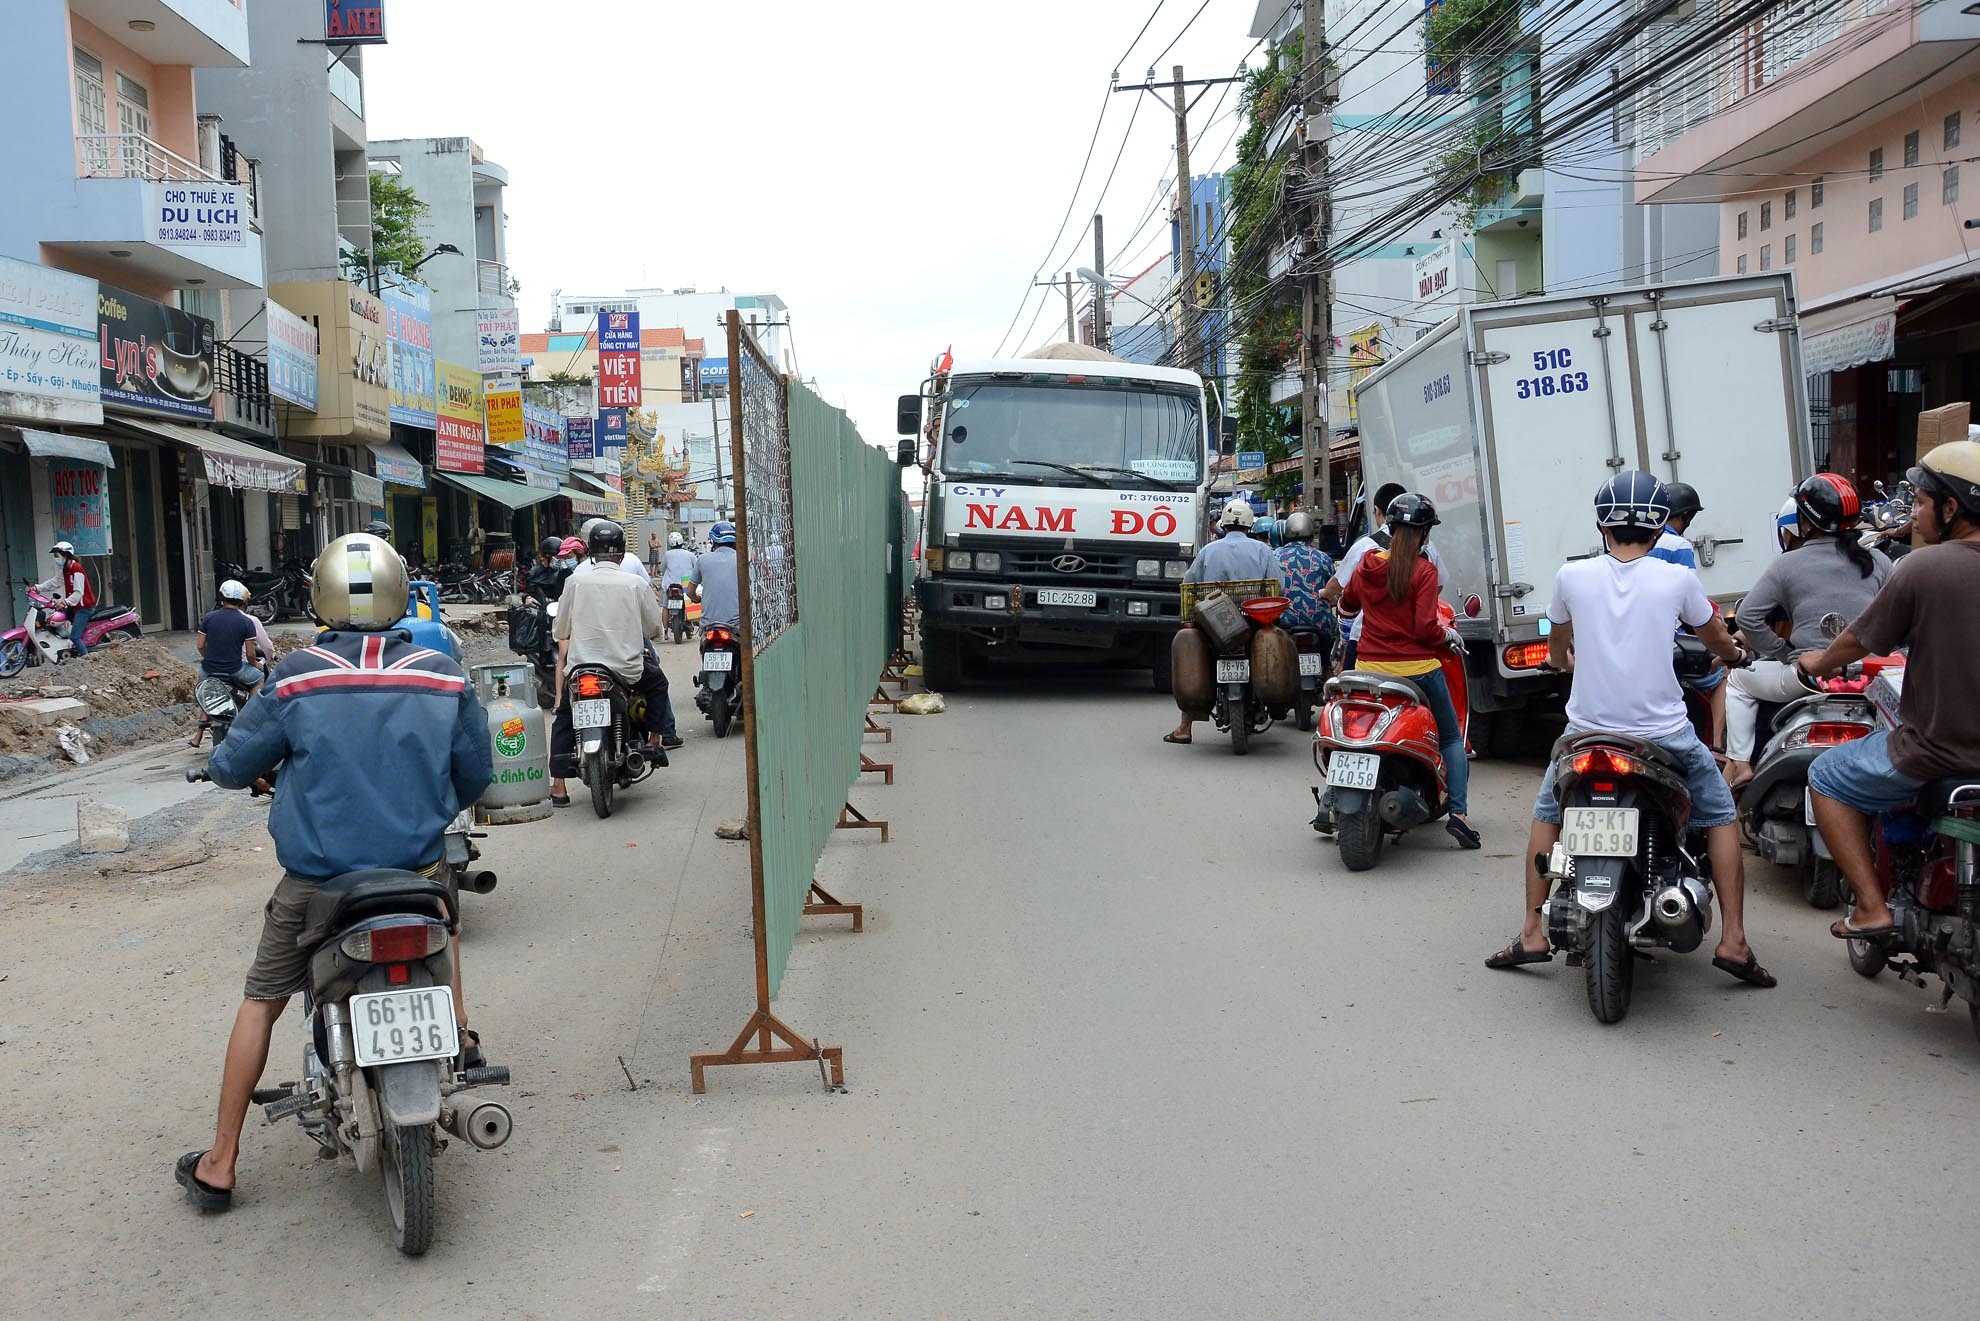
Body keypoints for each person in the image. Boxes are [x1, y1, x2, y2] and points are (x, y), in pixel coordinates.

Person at [177, 534, 493, 1212]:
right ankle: (461, 1036)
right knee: (445, 915)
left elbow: (231, 765)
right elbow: (476, 777)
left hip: (317, 885)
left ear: (319, 595)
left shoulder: (295, 675)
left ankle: (221, 1161)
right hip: (415, 873)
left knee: (262, 999)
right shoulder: (442, 673)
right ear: (400, 593)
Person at [1485, 471, 1774, 986]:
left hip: (1584, 736)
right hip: (1663, 737)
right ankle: (1734, 942)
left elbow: (1557, 644)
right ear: (1661, 528)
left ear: (1602, 524)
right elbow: (1715, 638)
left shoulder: (1572, 577)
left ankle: (1532, 931)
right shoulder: (1678, 580)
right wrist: (1735, 653)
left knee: (1547, 812)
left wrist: (1563, 660)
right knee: (1721, 813)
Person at [1798, 440, 1980, 940]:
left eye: (1921, 502)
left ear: (1951, 508)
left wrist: (1818, 660)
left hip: (1935, 753)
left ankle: (1873, 909)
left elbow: (1859, 639)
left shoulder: (1923, 567)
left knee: (1827, 775)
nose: (1915, 514)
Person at [1722, 474, 1889, 789]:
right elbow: (1900, 618)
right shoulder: (1878, 560)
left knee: (1738, 681)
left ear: (1805, 522)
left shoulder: (1787, 564)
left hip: (1806, 678)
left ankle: (1741, 765)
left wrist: (1785, 653)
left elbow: (1748, 616)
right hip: (1870, 678)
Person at [1337, 494, 1478, 848]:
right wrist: (1446, 635)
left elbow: (1347, 605)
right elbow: (1425, 631)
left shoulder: (1368, 564)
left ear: (1392, 527)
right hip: (1418, 673)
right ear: (1424, 534)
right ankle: (1458, 815)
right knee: (1450, 737)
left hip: (1368, 670)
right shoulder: (1424, 572)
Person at [548, 521, 670, 807]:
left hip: (582, 670)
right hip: (626, 670)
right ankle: (653, 740)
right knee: (658, 684)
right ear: (622, 553)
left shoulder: (575, 582)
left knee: (565, 714)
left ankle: (558, 785)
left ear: (590, 552)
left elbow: (560, 628)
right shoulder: (635, 583)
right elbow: (654, 629)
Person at [1166, 499, 1281, 744]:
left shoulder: (1209, 550)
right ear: (1250, 524)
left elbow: (1188, 584)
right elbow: (1280, 585)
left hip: (1214, 625)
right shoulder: (1263, 550)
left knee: (1195, 654)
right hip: (1253, 622)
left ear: (1224, 524)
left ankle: (1185, 727)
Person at [1321, 484, 1447, 671]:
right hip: (1417, 661)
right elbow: (1437, 592)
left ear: (1380, 513)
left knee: (1347, 691)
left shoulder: (1366, 556)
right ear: (1425, 530)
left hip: (1368, 656)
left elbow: (1344, 600)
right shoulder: (1428, 561)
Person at [1646, 482, 1728, 751]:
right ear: (1685, 516)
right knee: (1722, 673)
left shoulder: (1643, 542)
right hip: (1672, 643)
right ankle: (1717, 744)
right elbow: (1692, 604)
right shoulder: (1678, 545)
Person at [1276, 510, 1337, 647]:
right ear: (1311, 535)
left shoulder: (1274, 556)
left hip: (1283, 625)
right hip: (1320, 625)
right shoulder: (1323, 558)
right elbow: (1332, 591)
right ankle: (1327, 666)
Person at [197, 580, 265, 698]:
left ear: (221, 597)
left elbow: (200, 646)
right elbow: (250, 654)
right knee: (259, 679)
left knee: (206, 697)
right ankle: (248, 713)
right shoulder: (247, 622)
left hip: (207, 669)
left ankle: (203, 716)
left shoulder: (209, 617)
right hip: (235, 669)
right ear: (241, 600)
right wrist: (254, 664)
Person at [36, 541, 95, 656]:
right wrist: (37, 588)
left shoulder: (76, 569)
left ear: (66, 555)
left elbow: (78, 593)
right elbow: (54, 582)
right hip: (74, 607)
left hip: (84, 608)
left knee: (75, 637)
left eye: (57, 556)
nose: (56, 559)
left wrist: (64, 603)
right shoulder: (66, 569)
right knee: (53, 621)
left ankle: (87, 661)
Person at [692, 520, 742, 630]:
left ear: (713, 541)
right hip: (736, 625)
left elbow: (690, 591)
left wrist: (696, 599)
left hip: (708, 625)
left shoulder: (702, 559)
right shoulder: (742, 560)